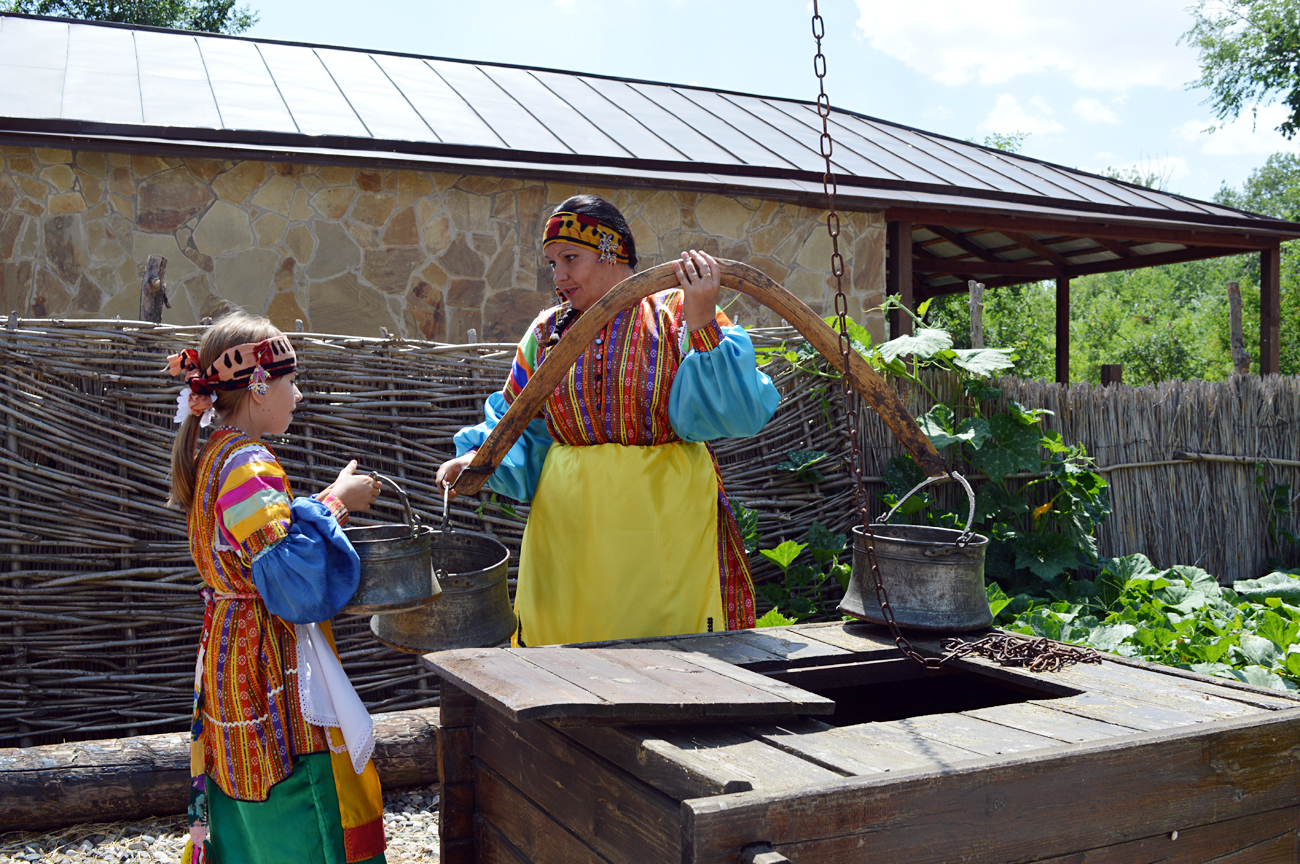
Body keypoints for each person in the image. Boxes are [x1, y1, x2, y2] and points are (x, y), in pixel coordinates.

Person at [436, 195, 779, 647]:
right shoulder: (545, 334)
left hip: (663, 518)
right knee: (566, 651)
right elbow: (518, 422)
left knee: (669, 652)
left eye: (570, 258)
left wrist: (702, 320)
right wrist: (479, 461)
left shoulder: (677, 312)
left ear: (612, 251)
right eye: (552, 262)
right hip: (568, 527)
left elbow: (738, 410)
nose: (558, 275)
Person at [167, 311, 387, 864]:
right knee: (295, 791)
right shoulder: (248, 463)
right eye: (290, 382)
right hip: (266, 661)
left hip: (228, 650)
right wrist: (338, 501)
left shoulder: (213, 455)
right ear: (260, 386)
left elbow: (262, 543)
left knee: (244, 789)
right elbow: (291, 580)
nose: (298, 394)